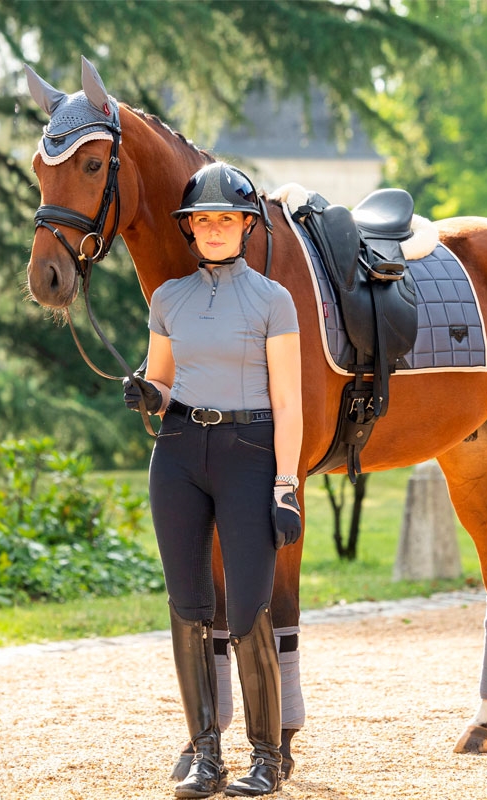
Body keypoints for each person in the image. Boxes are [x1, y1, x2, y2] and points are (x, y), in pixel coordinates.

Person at [123, 162, 303, 798]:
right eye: (204, 220)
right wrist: (146, 389)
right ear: (191, 229)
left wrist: (285, 485)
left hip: (250, 450)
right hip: (177, 452)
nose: (216, 228)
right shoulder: (167, 299)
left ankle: (266, 755)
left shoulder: (273, 300)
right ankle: (206, 753)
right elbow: (164, 377)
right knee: (188, 605)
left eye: (227, 218)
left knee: (249, 606)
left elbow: (290, 400)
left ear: (247, 225)